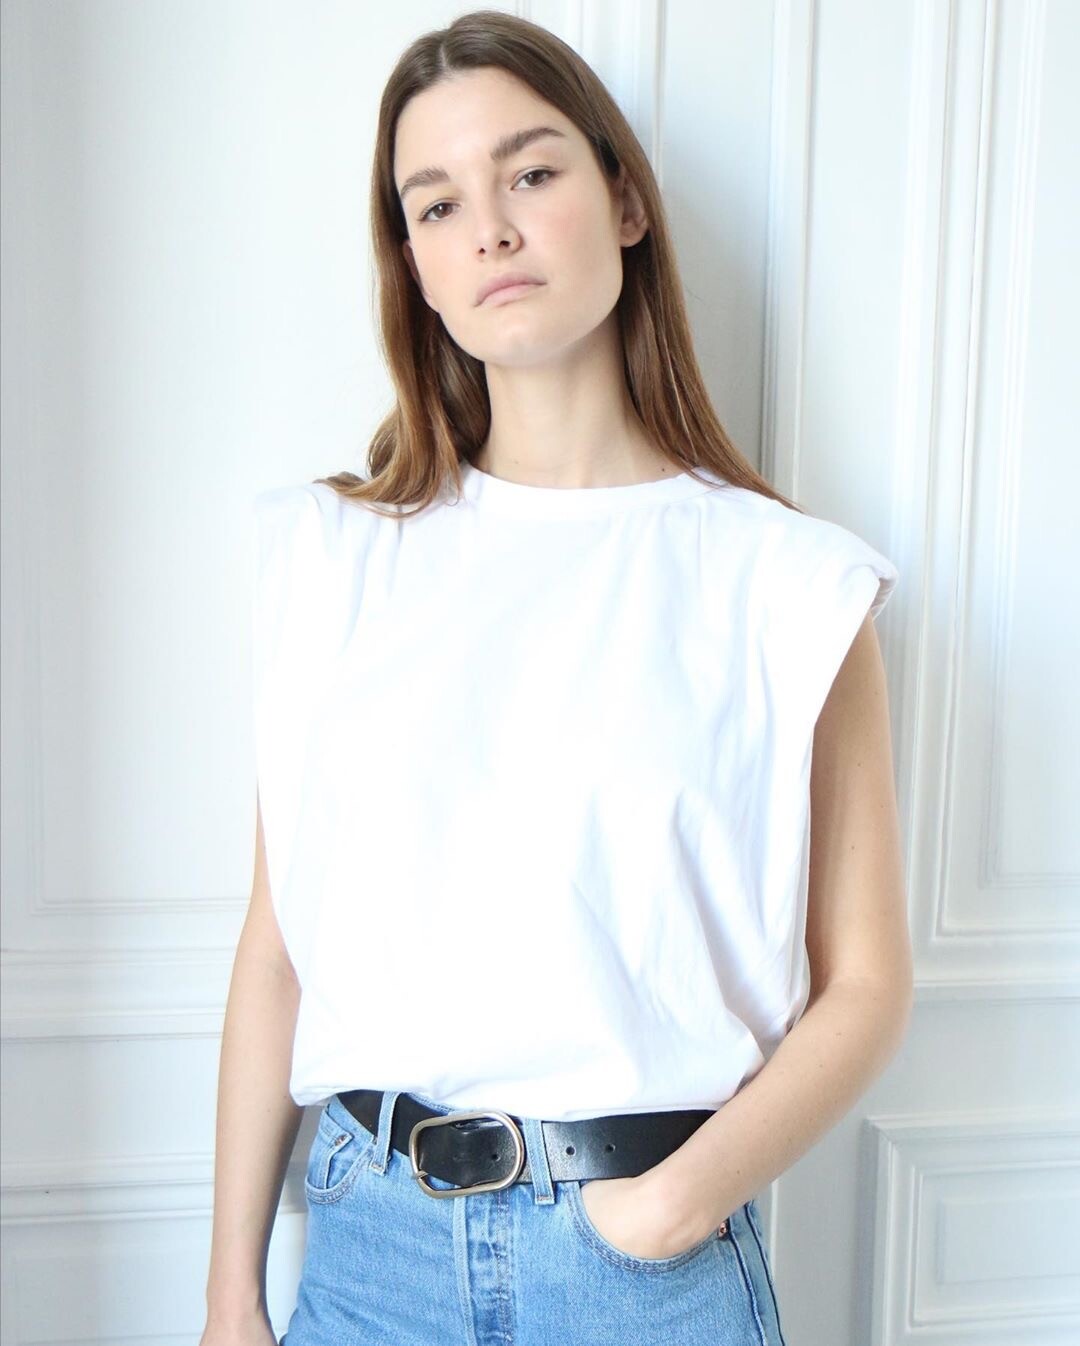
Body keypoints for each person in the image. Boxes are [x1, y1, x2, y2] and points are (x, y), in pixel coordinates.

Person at [200, 10, 913, 1345]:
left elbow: (867, 983)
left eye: (530, 172)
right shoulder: (331, 559)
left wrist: (673, 1205)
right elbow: (277, 946)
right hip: (369, 1262)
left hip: (643, 1269)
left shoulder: (789, 584)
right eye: (438, 204)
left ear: (625, 201)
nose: (491, 231)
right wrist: (229, 1292)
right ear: (413, 264)